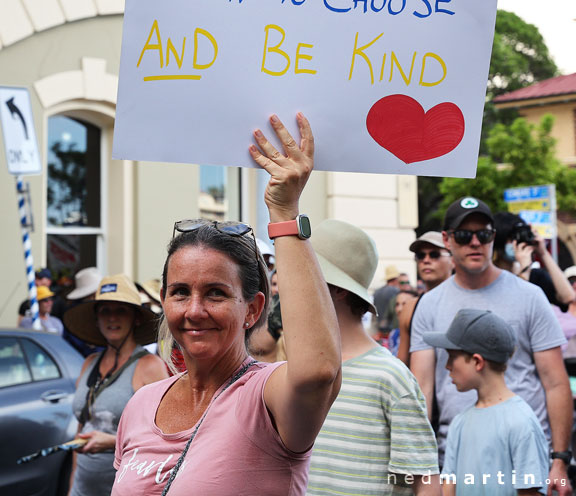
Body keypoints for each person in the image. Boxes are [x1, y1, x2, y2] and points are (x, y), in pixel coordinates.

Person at [111, 113, 341, 496]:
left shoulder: (264, 397)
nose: (194, 310)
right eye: (180, 292)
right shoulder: (141, 404)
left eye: (216, 293)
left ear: (252, 309)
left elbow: (318, 371)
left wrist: (284, 214)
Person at [410, 196, 572, 495]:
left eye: (483, 234)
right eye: (463, 235)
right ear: (447, 239)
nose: (475, 242)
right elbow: (422, 388)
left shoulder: (530, 296)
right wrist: (422, 464)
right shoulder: (429, 305)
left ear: (493, 238)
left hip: (525, 460)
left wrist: (559, 461)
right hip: (457, 457)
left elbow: (556, 383)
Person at [306, 218, 440, 496]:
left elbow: (425, 482)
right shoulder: (299, 368)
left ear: (338, 289)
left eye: (305, 272)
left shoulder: (389, 377)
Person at [424, 309, 550, 496]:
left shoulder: (522, 423)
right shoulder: (459, 422)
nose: (447, 366)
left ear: (477, 361)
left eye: (452, 356)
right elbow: (449, 487)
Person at [63, 274, 167, 496]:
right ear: (96, 318)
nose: (112, 318)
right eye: (105, 311)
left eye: (121, 310)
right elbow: (82, 429)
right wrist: (72, 485)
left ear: (135, 318)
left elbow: (162, 442)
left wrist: (111, 442)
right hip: (82, 488)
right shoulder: (89, 364)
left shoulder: (150, 366)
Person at [493, 212, 573, 308]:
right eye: (511, 238)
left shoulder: (535, 276)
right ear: (498, 242)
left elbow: (568, 297)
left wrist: (543, 253)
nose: (517, 243)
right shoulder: (490, 278)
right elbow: (513, 307)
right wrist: (524, 270)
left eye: (519, 237)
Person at [396, 232, 453, 366]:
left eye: (434, 254)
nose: (426, 260)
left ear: (453, 260)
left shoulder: (463, 300)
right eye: (420, 256)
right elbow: (402, 363)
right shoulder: (410, 307)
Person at [373, 265, 400, 335]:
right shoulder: (396, 291)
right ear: (396, 279)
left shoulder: (376, 292)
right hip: (392, 330)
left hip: (379, 330)